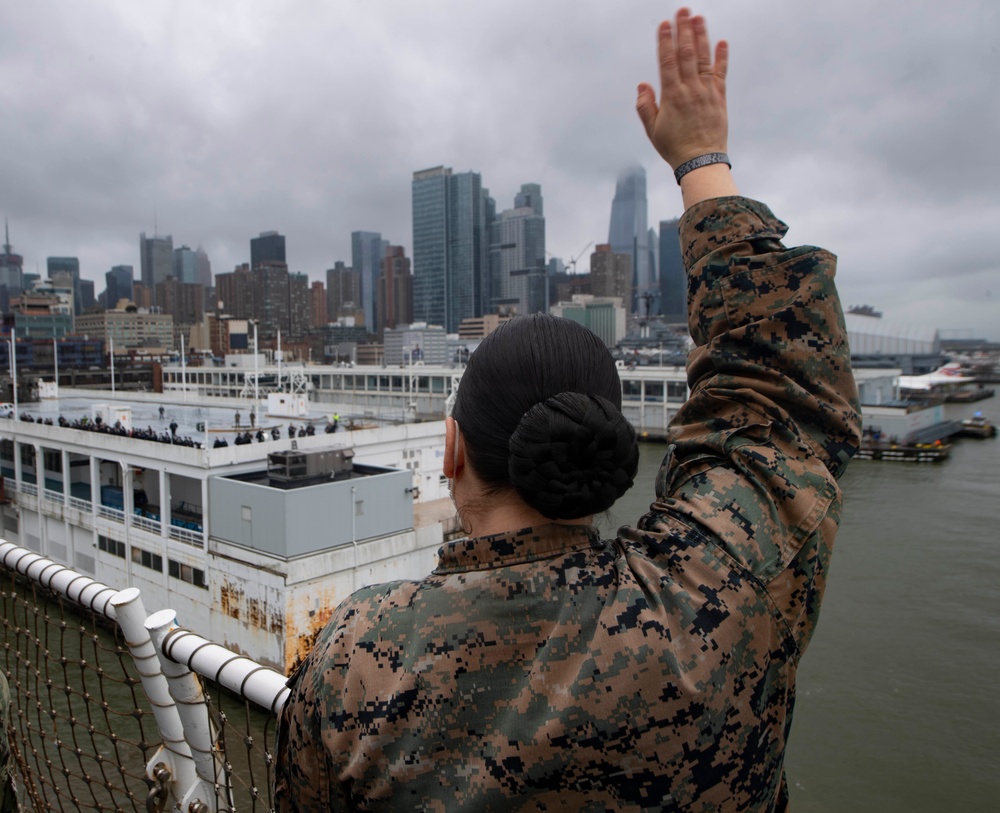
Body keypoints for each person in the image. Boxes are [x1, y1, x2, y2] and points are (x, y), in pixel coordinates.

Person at [273, 8, 861, 811]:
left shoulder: (359, 660)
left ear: (451, 450)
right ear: (605, 455)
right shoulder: (719, 596)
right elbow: (776, 388)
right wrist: (704, 160)